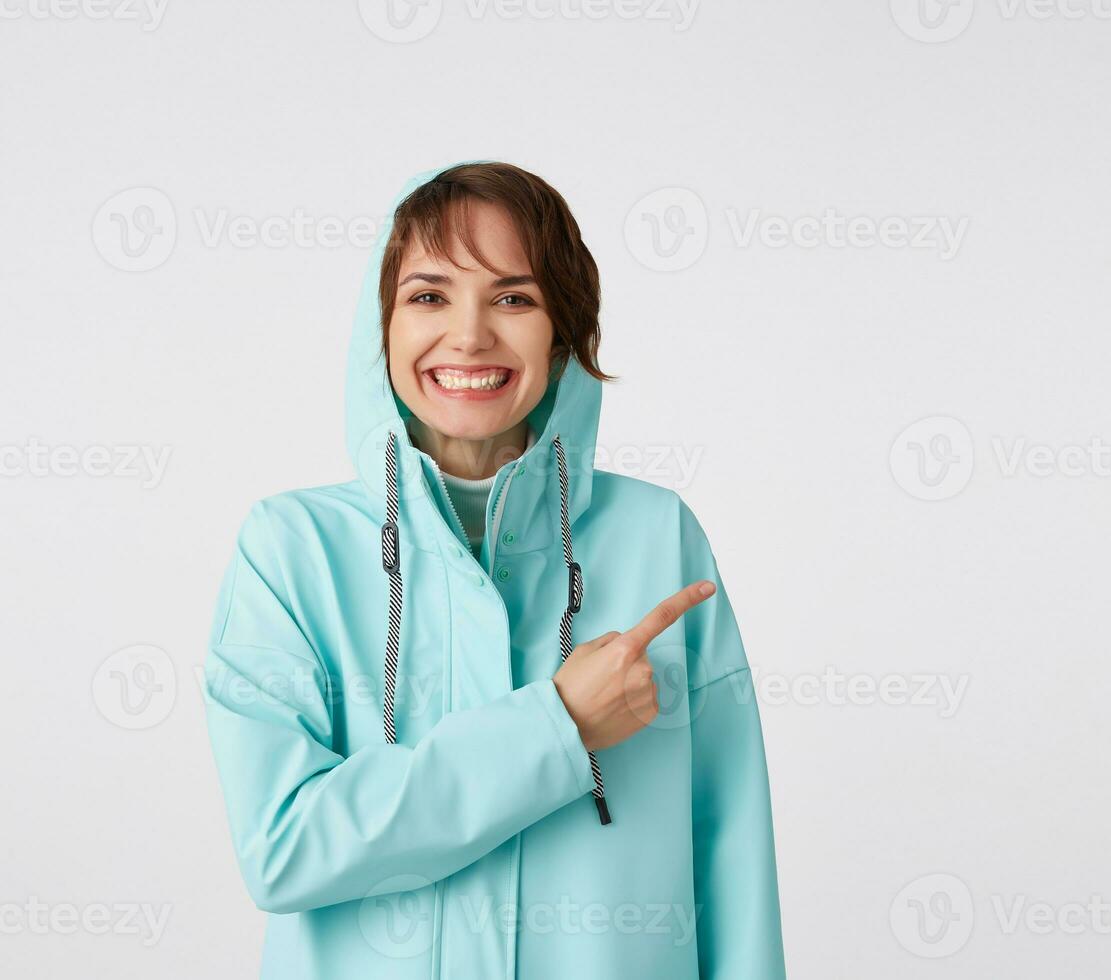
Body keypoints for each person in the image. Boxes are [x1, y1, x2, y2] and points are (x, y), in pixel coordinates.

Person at [203, 161, 787, 979]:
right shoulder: (290, 548)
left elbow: (731, 846)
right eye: (429, 296)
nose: (470, 336)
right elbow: (284, 852)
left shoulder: (658, 535)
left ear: (565, 331)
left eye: (514, 298)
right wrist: (557, 725)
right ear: (383, 326)